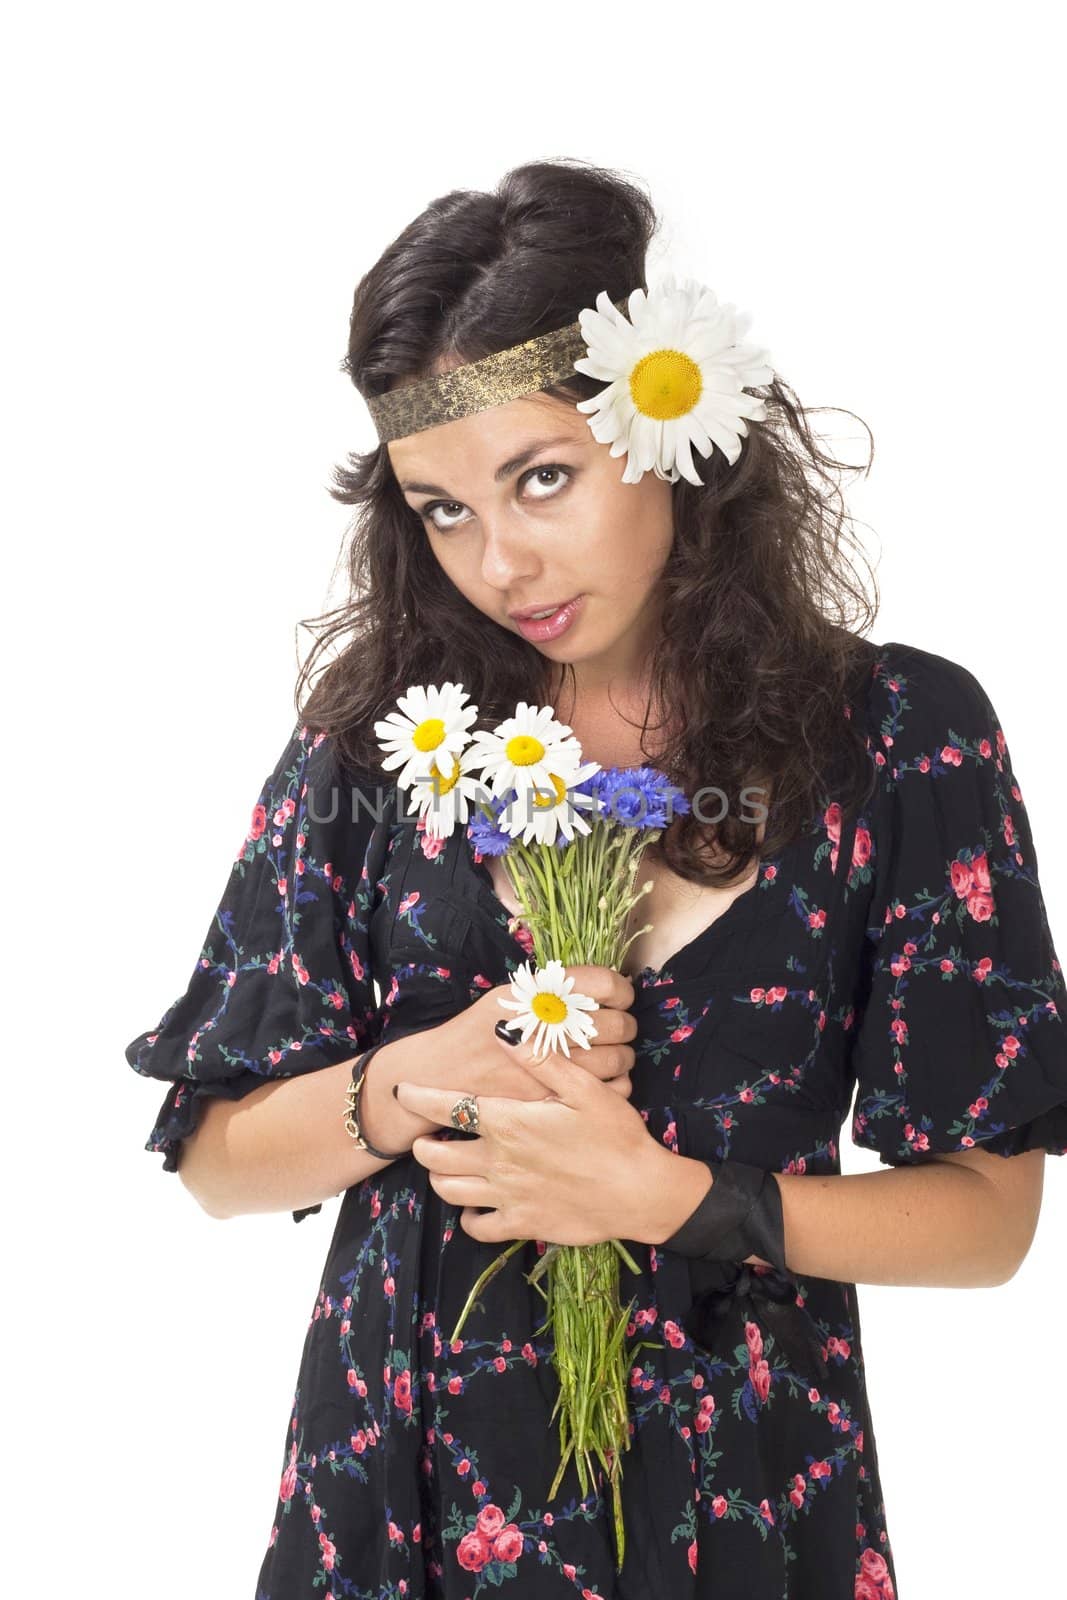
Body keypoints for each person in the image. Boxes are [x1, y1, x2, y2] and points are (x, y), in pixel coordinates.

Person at [125, 159, 1067, 1600]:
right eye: (441, 510)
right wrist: (425, 1081)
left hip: (742, 1491)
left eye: (543, 477)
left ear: (671, 428)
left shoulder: (896, 739)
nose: (499, 561)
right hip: (406, 1488)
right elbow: (215, 1158)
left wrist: (674, 1199)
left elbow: (989, 1220)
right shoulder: (377, 748)